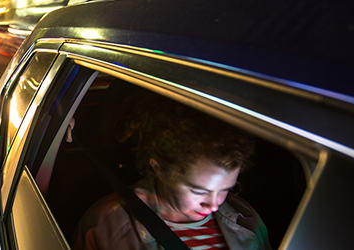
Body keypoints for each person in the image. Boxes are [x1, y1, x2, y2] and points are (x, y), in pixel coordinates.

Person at [73, 98, 271, 250]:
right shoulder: (104, 225)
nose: (214, 204)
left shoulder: (246, 219)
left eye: (226, 189)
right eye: (198, 191)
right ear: (159, 169)